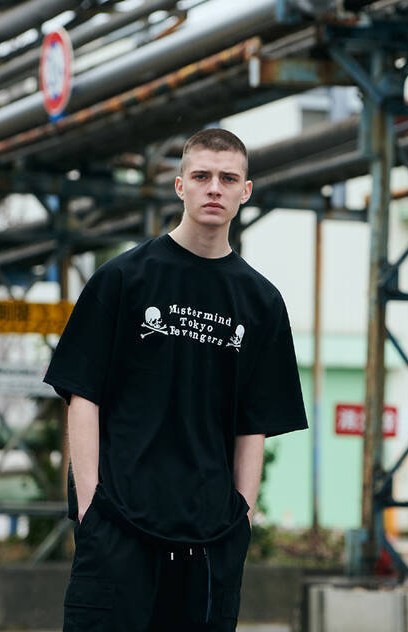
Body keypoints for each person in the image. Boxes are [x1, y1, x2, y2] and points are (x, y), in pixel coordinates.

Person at [43, 128, 308, 632]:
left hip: (210, 544)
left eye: (228, 178)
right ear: (180, 185)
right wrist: (90, 505)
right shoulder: (123, 279)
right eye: (202, 176)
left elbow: (254, 424)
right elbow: (82, 394)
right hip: (118, 532)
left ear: (245, 191)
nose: (215, 188)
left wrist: (242, 518)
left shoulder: (262, 302)